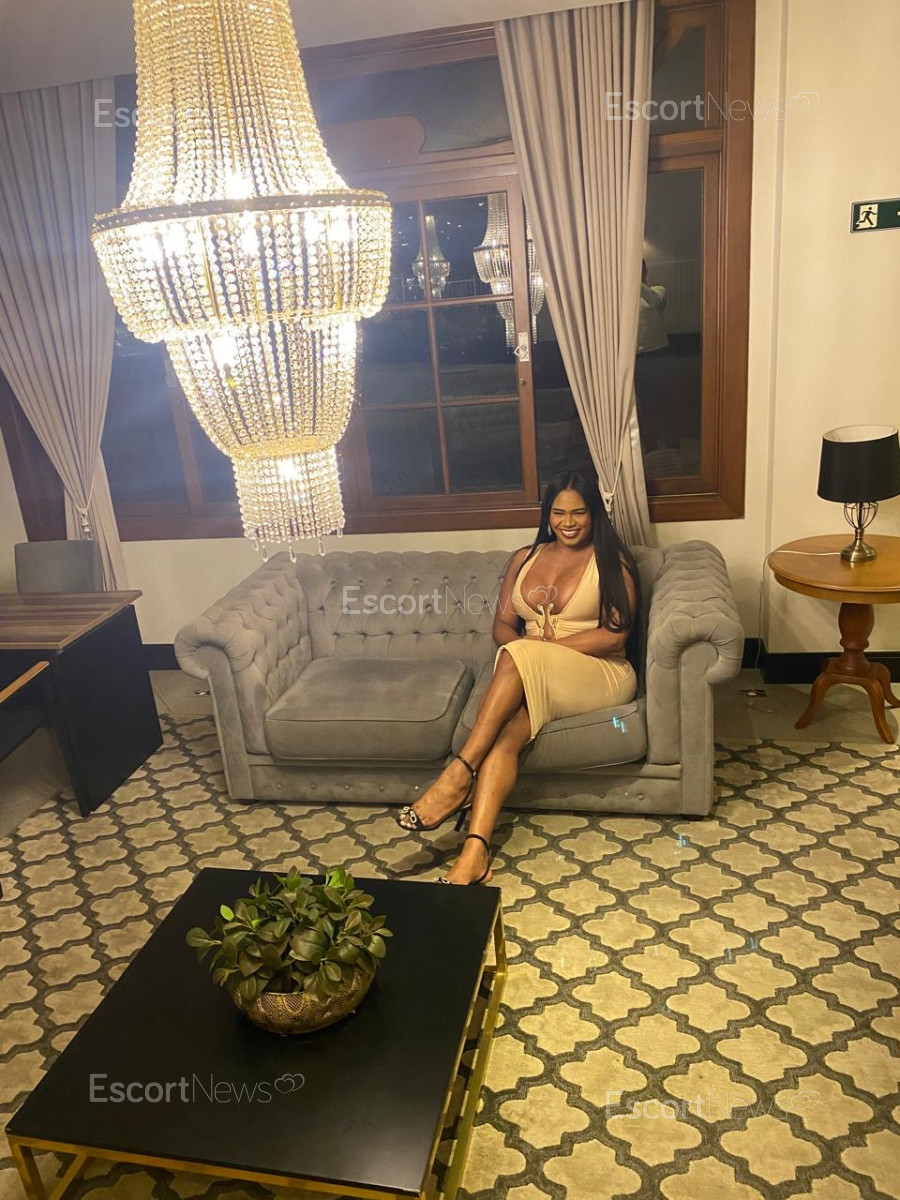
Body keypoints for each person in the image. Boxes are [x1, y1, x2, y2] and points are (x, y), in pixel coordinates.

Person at [396, 470, 640, 884]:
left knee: (518, 652)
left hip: (599, 672)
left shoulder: (612, 561)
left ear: (595, 513)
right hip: (530, 669)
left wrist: (542, 649)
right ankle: (475, 852)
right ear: (547, 514)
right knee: (507, 735)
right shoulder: (524, 558)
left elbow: (615, 636)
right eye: (558, 512)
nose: (568, 522)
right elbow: (502, 627)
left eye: (579, 512)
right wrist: (528, 651)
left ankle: (458, 773)